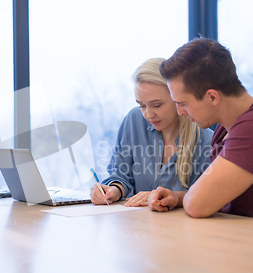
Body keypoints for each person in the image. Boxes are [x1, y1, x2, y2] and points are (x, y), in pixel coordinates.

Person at [148, 38, 253, 228]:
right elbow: (215, 200)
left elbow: (198, 205)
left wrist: (189, 199)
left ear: (212, 96)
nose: (180, 112)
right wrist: (178, 197)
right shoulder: (225, 130)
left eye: (182, 103)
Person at [91, 58, 213, 206]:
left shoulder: (207, 142)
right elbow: (121, 174)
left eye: (157, 105)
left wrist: (172, 199)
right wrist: (114, 190)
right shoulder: (134, 120)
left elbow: (206, 198)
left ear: (177, 98)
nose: (148, 115)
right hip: (135, 224)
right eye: (142, 105)